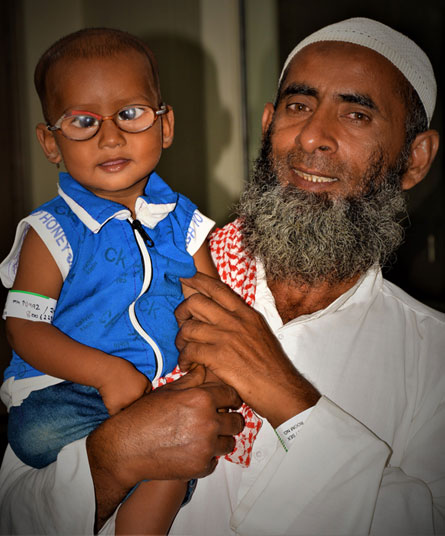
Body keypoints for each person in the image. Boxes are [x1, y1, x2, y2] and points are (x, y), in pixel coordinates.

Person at [0, 16, 444, 536]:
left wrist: (285, 396)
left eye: (357, 114)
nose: (312, 136)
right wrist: (112, 459)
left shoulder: (431, 360)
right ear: (266, 125)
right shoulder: (166, 273)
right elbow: (13, 513)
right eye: (298, 106)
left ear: (415, 159)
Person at [0, 27, 228, 535]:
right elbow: (24, 330)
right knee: (133, 441)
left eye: (129, 114)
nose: (110, 136)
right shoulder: (52, 232)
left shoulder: (185, 222)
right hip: (65, 398)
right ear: (49, 142)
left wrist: (202, 372)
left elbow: (212, 310)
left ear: (165, 126)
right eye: (82, 121)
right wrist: (107, 374)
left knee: (177, 455)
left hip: (159, 396)